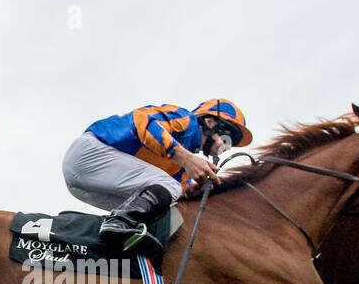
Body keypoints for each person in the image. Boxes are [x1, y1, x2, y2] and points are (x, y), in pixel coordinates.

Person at [63, 99, 253, 253]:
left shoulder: (182, 171)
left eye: (232, 144)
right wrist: (186, 158)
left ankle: (113, 243)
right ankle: (118, 224)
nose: (227, 147)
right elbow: (143, 121)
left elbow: (178, 201)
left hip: (82, 185)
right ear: (210, 122)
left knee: (164, 211)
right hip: (89, 154)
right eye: (228, 137)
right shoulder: (185, 120)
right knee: (169, 187)